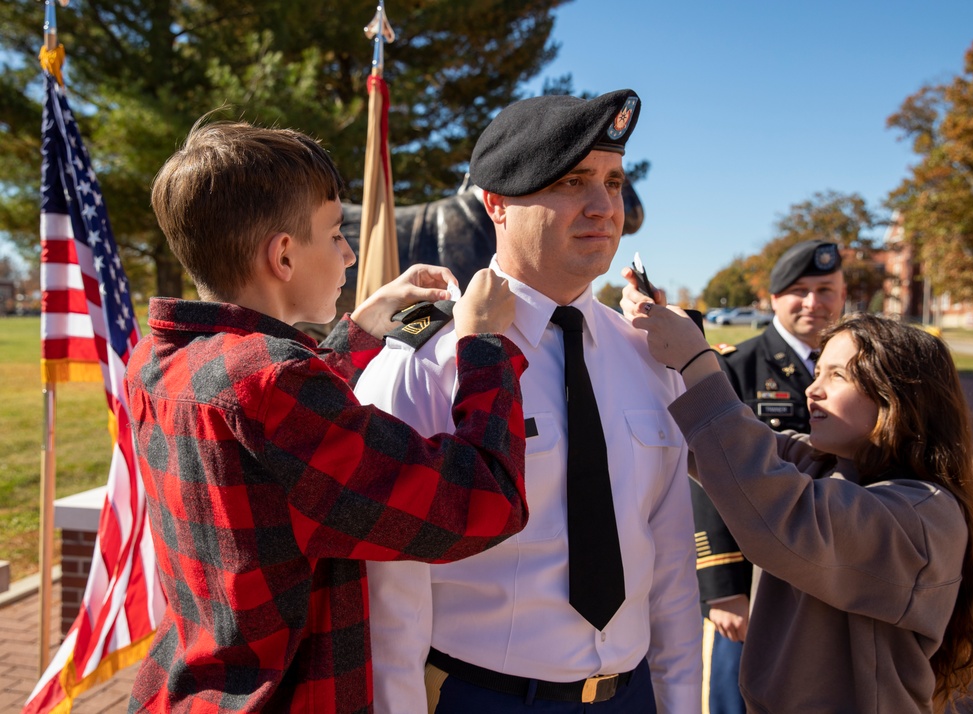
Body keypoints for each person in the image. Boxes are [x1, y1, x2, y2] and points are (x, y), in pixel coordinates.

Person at [124, 120, 533, 713]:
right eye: (336, 234)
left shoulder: (159, 360)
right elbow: (481, 501)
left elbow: (284, 436)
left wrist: (367, 326)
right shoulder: (273, 385)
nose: (348, 253)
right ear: (283, 255)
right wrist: (484, 345)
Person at [357, 90, 702, 713]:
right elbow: (391, 594)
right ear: (496, 204)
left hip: (631, 695)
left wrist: (679, 702)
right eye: (573, 180)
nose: (603, 207)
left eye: (613, 181)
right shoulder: (426, 362)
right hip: (481, 697)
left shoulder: (651, 355)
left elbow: (671, 562)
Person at [621, 288, 973, 713]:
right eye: (817, 373)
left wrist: (696, 361)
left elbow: (776, 506)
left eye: (837, 376)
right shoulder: (832, 465)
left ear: (898, 398)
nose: (812, 391)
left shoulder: (922, 515)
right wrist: (666, 341)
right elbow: (723, 446)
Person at [690, 239, 847, 713]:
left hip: (838, 566)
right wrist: (724, 588)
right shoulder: (734, 365)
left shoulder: (866, 370)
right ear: (773, 298)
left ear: (843, 294)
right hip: (756, 579)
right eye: (799, 290)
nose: (814, 303)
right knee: (739, 695)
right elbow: (708, 478)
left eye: (826, 289)